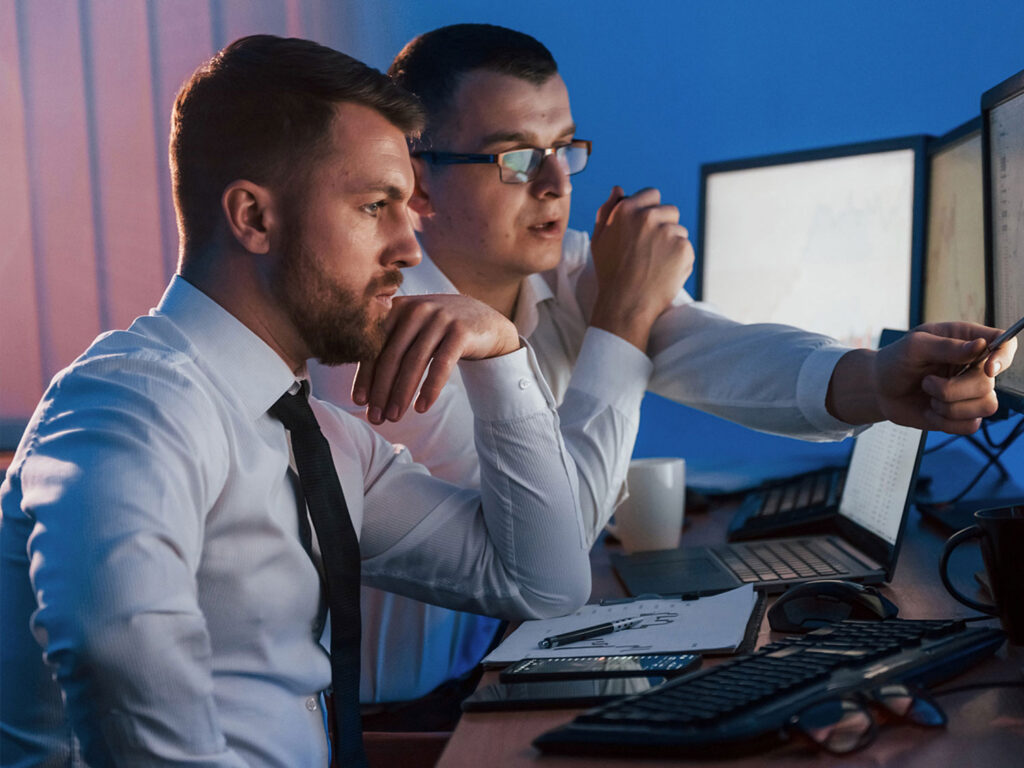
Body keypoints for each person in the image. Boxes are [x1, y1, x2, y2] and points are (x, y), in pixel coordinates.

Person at [310, 23, 1017, 722]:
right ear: (419, 183)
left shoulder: (571, 267)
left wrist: (878, 378)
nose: (556, 184)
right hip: (401, 725)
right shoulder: (388, 332)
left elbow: (711, 350)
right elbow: (540, 562)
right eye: (518, 158)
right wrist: (621, 315)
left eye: (565, 148)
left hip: (488, 667)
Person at [0, 35, 592, 767]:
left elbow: (544, 583)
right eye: (375, 205)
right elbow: (112, 647)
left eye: (406, 205)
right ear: (253, 217)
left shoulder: (322, 438)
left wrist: (503, 354)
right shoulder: (131, 402)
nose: (411, 246)